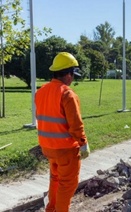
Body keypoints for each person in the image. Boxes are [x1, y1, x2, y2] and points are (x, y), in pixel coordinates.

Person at [35, 52, 90, 212]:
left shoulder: (41, 91)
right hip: (66, 150)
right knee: (67, 185)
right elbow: (75, 125)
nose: (72, 79)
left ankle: (51, 209)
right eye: (73, 75)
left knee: (55, 179)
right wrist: (83, 143)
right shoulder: (67, 94)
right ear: (67, 74)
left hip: (48, 148)